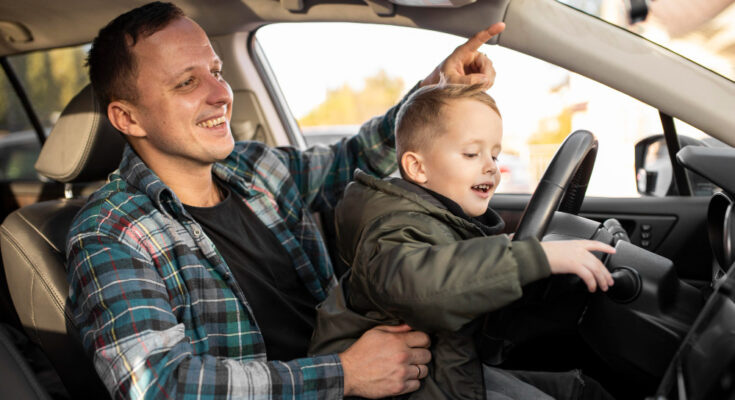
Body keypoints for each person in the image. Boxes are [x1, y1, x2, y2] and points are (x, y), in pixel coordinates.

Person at [65, 1, 504, 398]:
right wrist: (345, 373)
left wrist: (433, 91)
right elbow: (162, 386)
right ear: (127, 117)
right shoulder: (110, 235)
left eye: (216, 72)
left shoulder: (253, 167)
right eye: (186, 83)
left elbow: (351, 160)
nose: (220, 94)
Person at [309, 82, 616, 399]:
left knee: (579, 391)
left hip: (447, 372)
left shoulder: (440, 219)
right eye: (471, 153)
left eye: (494, 155)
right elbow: (424, 285)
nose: (490, 167)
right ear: (418, 167)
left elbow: (461, 273)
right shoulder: (392, 229)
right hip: (405, 388)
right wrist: (533, 257)